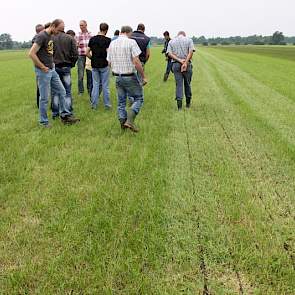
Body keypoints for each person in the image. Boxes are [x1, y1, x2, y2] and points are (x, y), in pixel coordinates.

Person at [29, 19, 79, 127]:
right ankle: (43, 122)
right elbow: (31, 53)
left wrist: (52, 65)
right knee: (44, 98)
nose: (59, 33)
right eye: (59, 30)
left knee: (62, 91)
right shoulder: (42, 36)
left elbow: (48, 53)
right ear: (53, 26)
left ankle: (65, 116)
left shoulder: (51, 36)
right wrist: (42, 67)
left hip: (52, 70)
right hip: (43, 71)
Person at [107, 26, 147, 132]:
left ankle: (123, 125)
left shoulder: (112, 43)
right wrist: (143, 76)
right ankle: (129, 121)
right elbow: (137, 61)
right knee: (139, 98)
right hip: (129, 76)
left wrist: (116, 70)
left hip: (118, 76)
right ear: (129, 32)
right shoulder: (131, 42)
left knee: (121, 102)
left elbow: (109, 62)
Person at [52, 24, 79, 119]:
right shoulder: (70, 38)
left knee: (55, 91)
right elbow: (76, 54)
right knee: (67, 91)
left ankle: (55, 113)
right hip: (66, 67)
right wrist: (72, 64)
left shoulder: (51, 38)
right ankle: (68, 111)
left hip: (54, 67)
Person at [167, 31, 195, 110]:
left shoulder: (171, 41)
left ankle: (179, 107)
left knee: (179, 85)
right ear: (184, 34)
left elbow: (169, 53)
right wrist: (185, 62)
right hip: (187, 64)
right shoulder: (189, 40)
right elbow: (191, 52)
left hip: (176, 64)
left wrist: (179, 60)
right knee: (187, 84)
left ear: (178, 34)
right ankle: (188, 104)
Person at [87, 23, 112, 110]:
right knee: (105, 85)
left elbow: (87, 52)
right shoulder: (108, 40)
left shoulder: (92, 39)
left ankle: (94, 105)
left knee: (95, 85)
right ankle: (107, 105)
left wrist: (92, 58)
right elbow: (109, 53)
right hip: (104, 65)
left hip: (94, 65)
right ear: (106, 30)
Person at [76, 20, 92, 96]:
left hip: (89, 56)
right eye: (80, 25)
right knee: (80, 74)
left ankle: (89, 90)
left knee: (89, 73)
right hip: (81, 56)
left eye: (82, 25)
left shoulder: (91, 35)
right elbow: (75, 45)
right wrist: (76, 45)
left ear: (86, 25)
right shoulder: (78, 35)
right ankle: (81, 91)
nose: (81, 27)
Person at [32, 24, 45, 109]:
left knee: (40, 86)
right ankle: (39, 104)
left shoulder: (36, 38)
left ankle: (40, 104)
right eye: (43, 30)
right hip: (39, 65)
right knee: (40, 86)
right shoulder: (37, 39)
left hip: (39, 64)